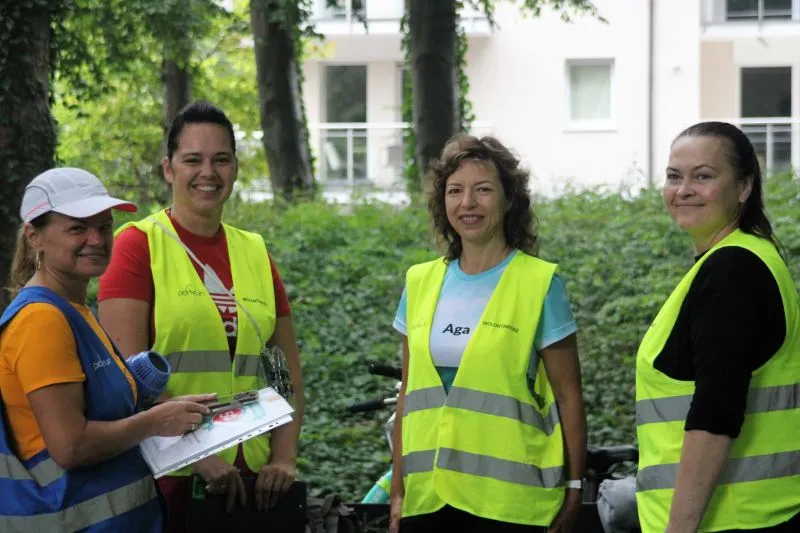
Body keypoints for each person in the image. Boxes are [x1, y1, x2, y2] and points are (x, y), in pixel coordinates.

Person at [97, 101, 305, 532]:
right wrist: (198, 454)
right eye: (192, 159)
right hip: (168, 479)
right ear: (168, 169)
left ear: (235, 169)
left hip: (253, 479)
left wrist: (284, 457)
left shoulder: (254, 251)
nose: (208, 172)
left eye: (221, 159)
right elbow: (123, 381)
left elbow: (286, 374)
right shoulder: (137, 246)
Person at [389, 135, 588, 533]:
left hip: (510, 502)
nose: (468, 203)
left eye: (483, 190)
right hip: (428, 499)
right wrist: (398, 491)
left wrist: (574, 487)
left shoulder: (539, 283)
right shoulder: (419, 282)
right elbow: (408, 395)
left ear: (509, 199)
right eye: (455, 191)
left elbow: (569, 396)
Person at [0, 167, 213, 532]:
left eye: (104, 226)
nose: (97, 239)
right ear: (34, 236)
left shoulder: (74, 310)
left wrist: (167, 410)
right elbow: (71, 446)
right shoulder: (41, 320)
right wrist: (155, 422)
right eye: (77, 228)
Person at [635, 121, 800, 532]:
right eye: (674, 176)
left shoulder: (733, 270)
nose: (683, 190)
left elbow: (716, 412)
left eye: (703, 176)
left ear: (743, 188)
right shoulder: (739, 259)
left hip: (730, 520)